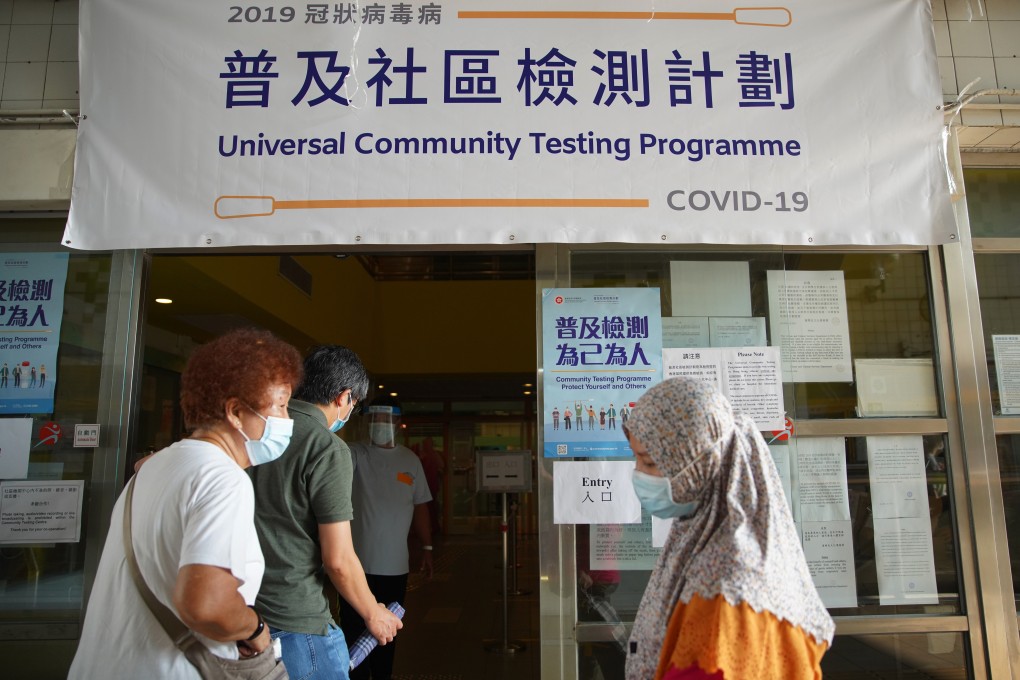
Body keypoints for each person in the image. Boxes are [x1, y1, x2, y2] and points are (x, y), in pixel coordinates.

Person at [70, 328, 303, 678]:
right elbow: (207, 605)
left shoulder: (152, 468)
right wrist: (255, 629)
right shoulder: (224, 478)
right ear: (236, 412)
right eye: (281, 406)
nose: (287, 421)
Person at [624, 377, 833, 680]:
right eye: (636, 459)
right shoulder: (702, 531)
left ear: (701, 462)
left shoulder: (726, 587)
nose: (638, 475)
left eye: (650, 462)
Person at [248, 345, 403, 680]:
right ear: (342, 397)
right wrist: (372, 612)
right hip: (298, 623)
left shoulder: (254, 433)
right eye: (353, 404)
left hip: (245, 618)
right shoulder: (326, 447)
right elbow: (338, 559)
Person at [341, 396, 433, 680]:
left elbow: (420, 506)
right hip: (355, 566)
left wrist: (428, 547)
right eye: (375, 419)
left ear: (397, 423)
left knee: (387, 635)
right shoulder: (355, 454)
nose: (381, 425)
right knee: (354, 633)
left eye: (386, 420)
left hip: (395, 567)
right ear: (367, 422)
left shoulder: (410, 460)